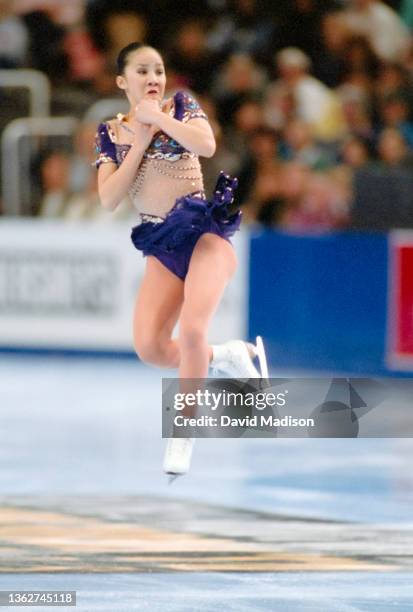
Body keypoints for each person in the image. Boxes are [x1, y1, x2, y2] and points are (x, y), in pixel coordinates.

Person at [94, 42, 267, 479]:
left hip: (204, 235)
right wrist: (143, 138)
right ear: (122, 81)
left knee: (191, 330)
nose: (153, 78)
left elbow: (207, 145)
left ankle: (182, 433)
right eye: (142, 71)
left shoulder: (182, 105)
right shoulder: (111, 132)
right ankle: (229, 354)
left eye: (159, 69)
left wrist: (161, 120)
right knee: (151, 348)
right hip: (163, 246)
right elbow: (109, 197)